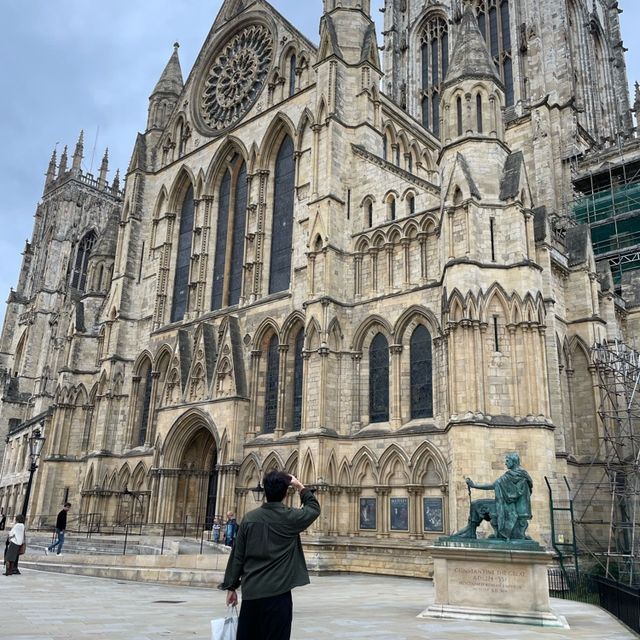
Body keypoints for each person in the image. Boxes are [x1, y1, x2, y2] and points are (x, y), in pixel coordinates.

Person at [221, 472, 321, 640]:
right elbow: (313, 508)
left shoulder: (249, 519)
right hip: (278, 595)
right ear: (284, 493)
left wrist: (231, 587)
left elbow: (237, 555)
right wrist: (299, 486)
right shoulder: (291, 518)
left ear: (265, 492)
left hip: (252, 594)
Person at [452, 452, 533, 540]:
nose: (505, 463)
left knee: (476, 504)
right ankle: (470, 530)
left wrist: (474, 485)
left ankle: (471, 531)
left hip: (509, 508)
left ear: (513, 462)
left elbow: (493, 485)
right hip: (509, 506)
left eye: (507, 461)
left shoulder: (511, 476)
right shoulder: (522, 475)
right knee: (476, 504)